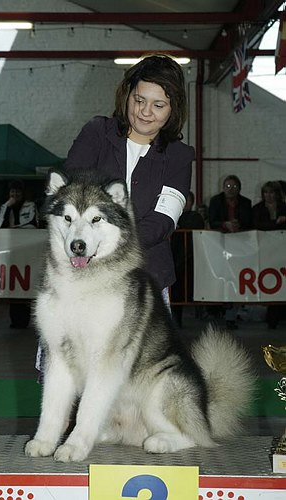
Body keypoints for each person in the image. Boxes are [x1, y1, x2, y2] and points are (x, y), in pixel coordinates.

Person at [35, 54, 194, 376]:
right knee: (67, 372)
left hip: (147, 276)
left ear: (173, 109)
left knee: (143, 375)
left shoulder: (180, 156)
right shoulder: (97, 132)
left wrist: (111, 249)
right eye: (140, 100)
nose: (146, 112)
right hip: (80, 272)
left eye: (159, 105)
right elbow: (71, 194)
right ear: (127, 96)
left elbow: (164, 221)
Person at [208, 175, 252, 329]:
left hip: (239, 246)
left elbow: (250, 222)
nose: (230, 190)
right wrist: (225, 224)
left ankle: (232, 313)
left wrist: (238, 224)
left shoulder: (246, 203)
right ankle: (221, 309)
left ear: (239, 188)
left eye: (234, 187)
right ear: (223, 187)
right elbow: (211, 220)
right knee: (222, 276)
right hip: (219, 245)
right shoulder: (215, 201)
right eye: (227, 187)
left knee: (237, 277)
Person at [0, 179, 38, 328]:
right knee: (13, 283)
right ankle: (14, 320)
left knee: (25, 282)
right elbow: (0, 225)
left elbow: (34, 225)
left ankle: (24, 320)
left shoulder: (30, 206)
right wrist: (8, 207)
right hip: (10, 251)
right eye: (12, 192)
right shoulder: (4, 206)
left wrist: (17, 228)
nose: (15, 195)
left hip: (26, 251)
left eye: (18, 192)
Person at [252, 180, 286, 329]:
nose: (269, 195)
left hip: (282, 252)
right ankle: (272, 320)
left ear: (277, 194)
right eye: (266, 192)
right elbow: (255, 226)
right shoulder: (257, 209)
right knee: (271, 282)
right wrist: (276, 224)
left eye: (272, 192)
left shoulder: (284, 208)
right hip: (264, 252)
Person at [170, 191, 205, 327]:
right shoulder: (172, 216)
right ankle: (177, 318)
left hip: (191, 259)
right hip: (175, 258)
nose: (185, 204)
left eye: (188, 201)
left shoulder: (195, 216)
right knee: (177, 290)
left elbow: (196, 225)